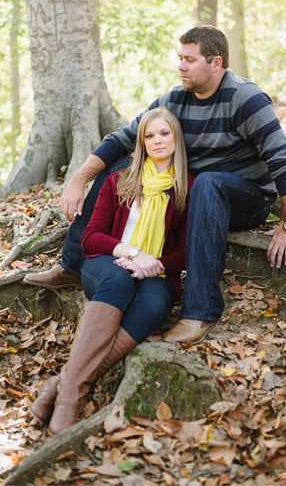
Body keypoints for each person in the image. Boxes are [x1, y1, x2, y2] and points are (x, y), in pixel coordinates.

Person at [24, 26, 286, 345]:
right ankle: (73, 265)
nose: (180, 66)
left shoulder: (245, 99)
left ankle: (201, 311)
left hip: (246, 197)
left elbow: (283, 160)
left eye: (189, 60)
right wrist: (78, 179)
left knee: (207, 184)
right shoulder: (175, 99)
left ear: (216, 63)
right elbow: (123, 139)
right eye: (179, 58)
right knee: (121, 165)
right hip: (192, 188)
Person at [29, 107, 194, 435]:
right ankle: (70, 399)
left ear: (177, 139)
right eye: (149, 135)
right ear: (142, 142)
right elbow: (90, 237)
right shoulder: (120, 179)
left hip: (154, 271)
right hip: (105, 262)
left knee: (156, 303)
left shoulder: (187, 188)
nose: (157, 140)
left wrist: (154, 264)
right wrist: (132, 253)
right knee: (118, 280)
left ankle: (61, 385)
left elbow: (185, 251)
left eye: (164, 133)